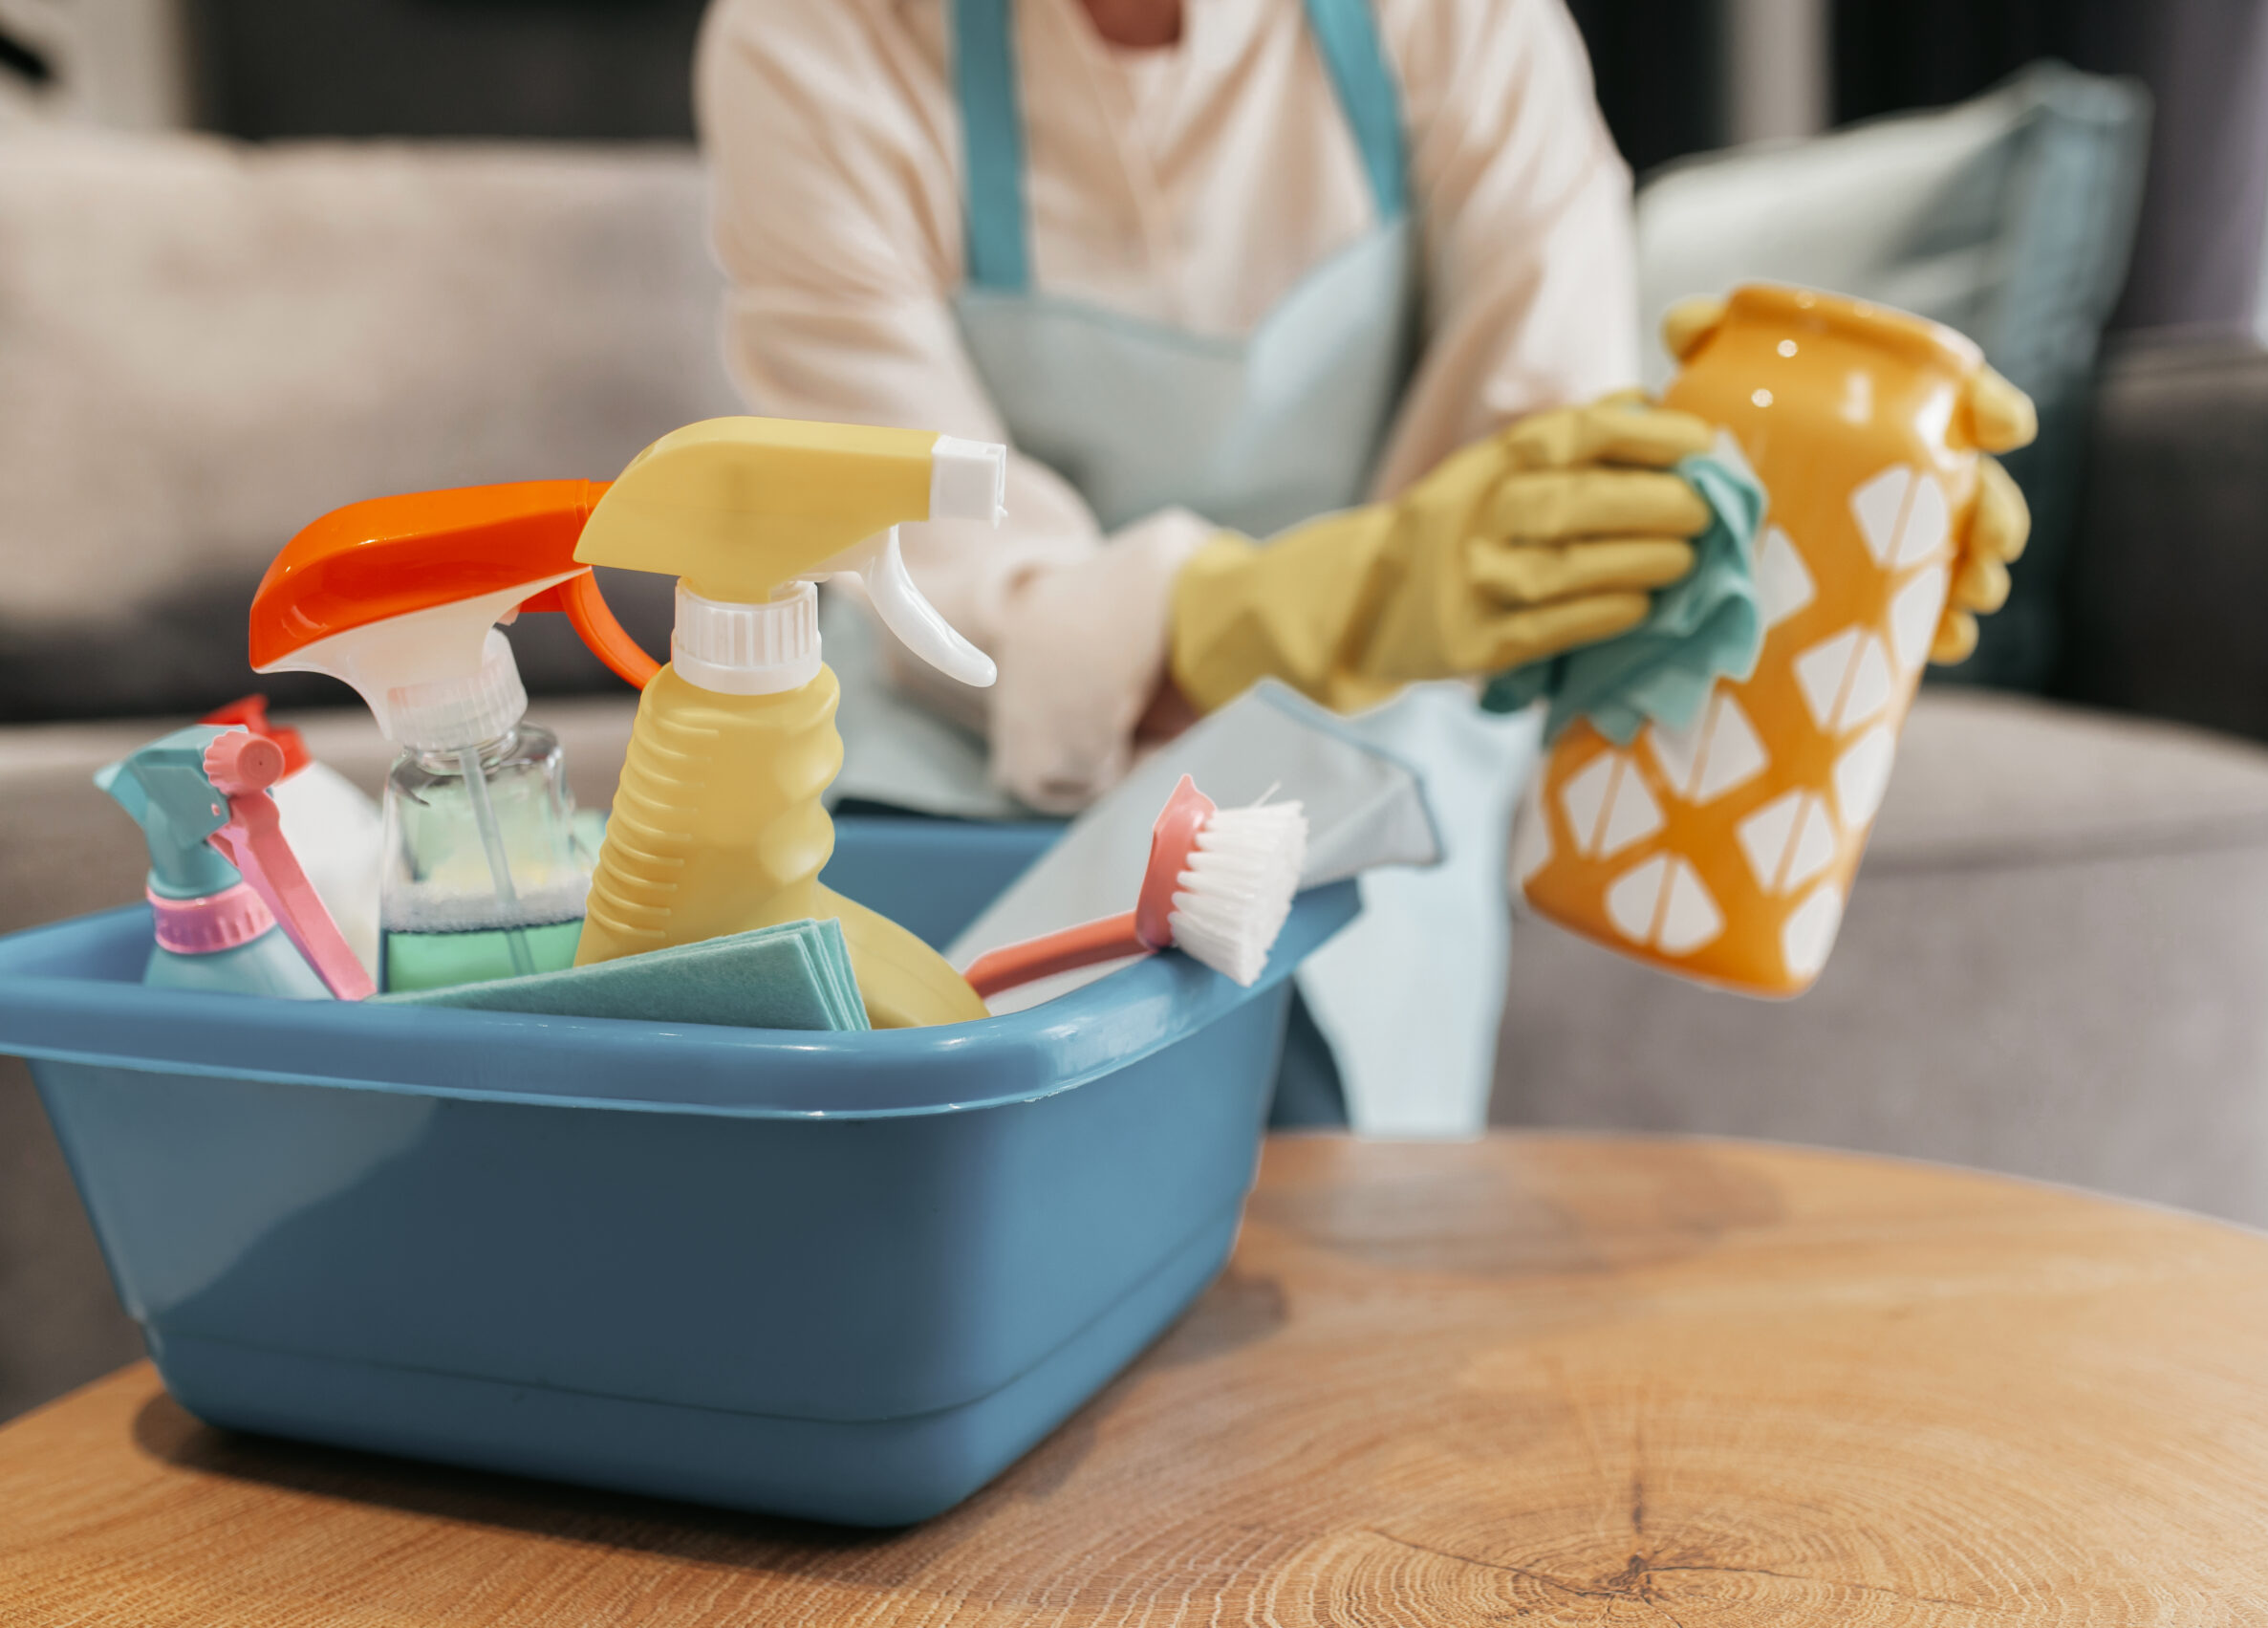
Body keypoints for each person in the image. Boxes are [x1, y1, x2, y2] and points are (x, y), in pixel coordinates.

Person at [694, 0, 2030, 1131]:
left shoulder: (1458, 24)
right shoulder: (815, 40)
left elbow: (1555, 459)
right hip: (953, 755)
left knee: (1277, 1134)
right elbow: (916, 557)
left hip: (1357, 746)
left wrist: (1811, 547)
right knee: (876, 1105)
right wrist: (1293, 608)